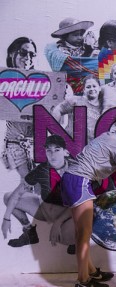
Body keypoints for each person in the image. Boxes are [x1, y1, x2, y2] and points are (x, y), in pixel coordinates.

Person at [61, 112, 116, 287]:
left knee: (81, 233)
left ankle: (91, 272)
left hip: (72, 179)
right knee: (84, 234)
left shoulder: (108, 136)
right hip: (79, 181)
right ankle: (83, 281)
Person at [2, 37, 37, 247]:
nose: (28, 58)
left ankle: (32, 229)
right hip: (16, 142)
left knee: (37, 187)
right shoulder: (5, 78)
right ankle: (29, 230)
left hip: (36, 141)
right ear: (14, 54)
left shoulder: (40, 80)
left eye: (32, 54)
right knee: (28, 182)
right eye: (24, 53)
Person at [51, 75, 102, 142]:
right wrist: (55, 132)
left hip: (90, 147)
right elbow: (57, 110)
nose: (92, 89)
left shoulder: (103, 107)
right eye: (88, 87)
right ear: (84, 90)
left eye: (94, 86)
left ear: (99, 88)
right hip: (71, 144)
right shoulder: (75, 100)